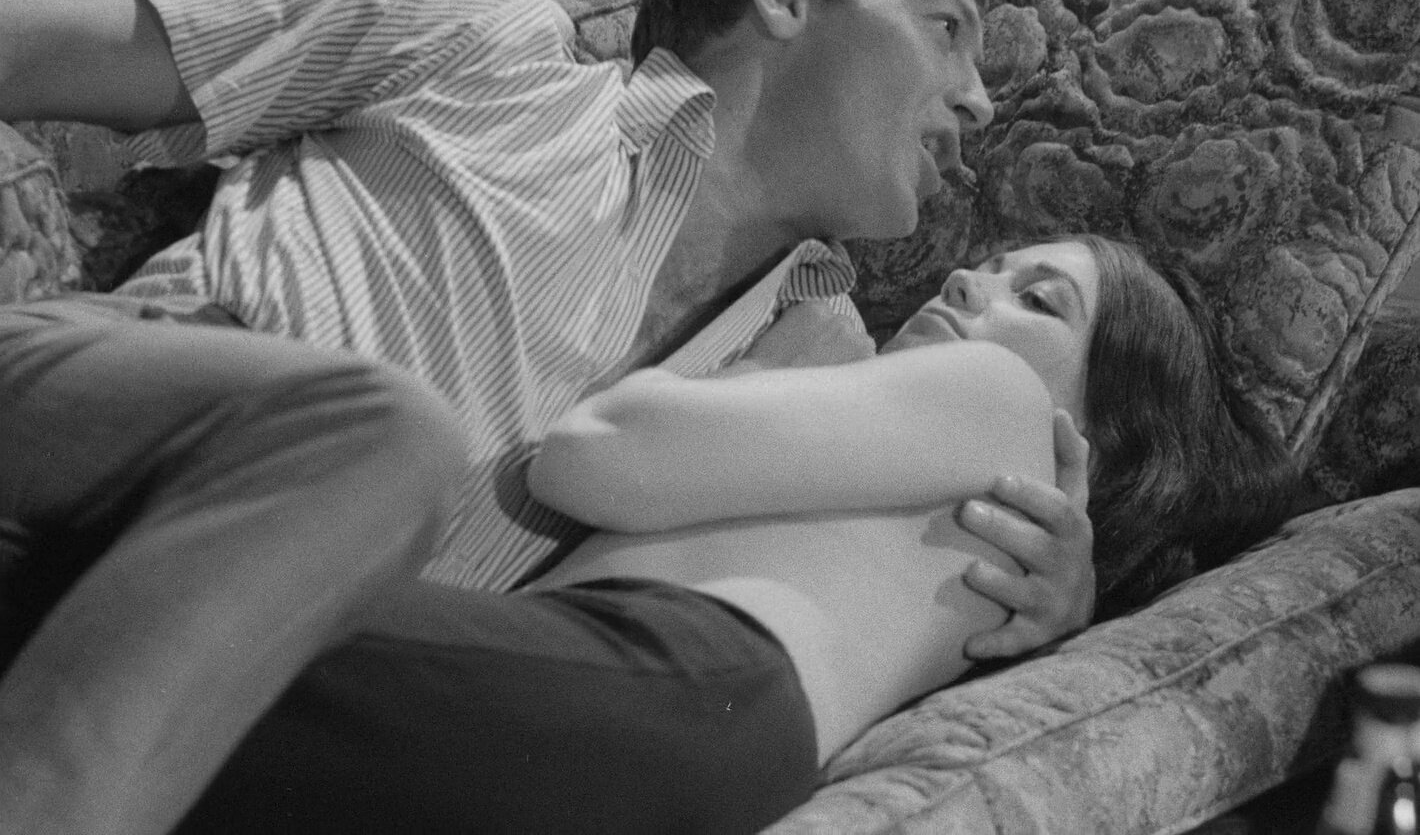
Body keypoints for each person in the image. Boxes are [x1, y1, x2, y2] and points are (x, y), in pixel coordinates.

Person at [0, 0, 1095, 828]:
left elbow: (760, 661)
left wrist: (1048, 601)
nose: (979, 102)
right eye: (944, 28)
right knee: (381, 439)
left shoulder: (826, 358)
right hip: (86, 439)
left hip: (235, 674)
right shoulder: (477, 36)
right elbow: (34, 50)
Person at [24, 235, 1293, 834]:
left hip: (647, 687)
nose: (971, 280)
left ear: (1104, 434)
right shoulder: (997, 558)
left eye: (1039, 297)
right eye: (995, 263)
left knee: (96, 600)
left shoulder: (997, 401)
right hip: (673, 748)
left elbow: (594, 453)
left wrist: (778, 365)